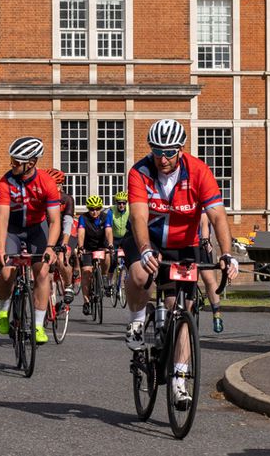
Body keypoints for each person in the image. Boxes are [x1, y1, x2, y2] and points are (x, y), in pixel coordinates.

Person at [122, 118, 239, 410]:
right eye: (157, 151)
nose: (162, 158)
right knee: (139, 277)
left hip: (183, 245)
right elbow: (137, 215)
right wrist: (146, 249)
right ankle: (137, 322)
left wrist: (227, 254)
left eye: (169, 152)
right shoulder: (140, 171)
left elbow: (217, 216)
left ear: (180, 149)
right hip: (146, 239)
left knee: (183, 307)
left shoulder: (198, 171)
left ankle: (179, 381)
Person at [0, 137, 60, 346]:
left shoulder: (46, 182)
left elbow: (55, 219)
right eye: (12, 160)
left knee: (42, 273)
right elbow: (2, 217)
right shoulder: (6, 181)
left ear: (30, 163)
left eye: (16, 162)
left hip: (36, 228)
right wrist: (1, 249)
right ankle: (4, 311)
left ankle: (38, 325)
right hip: (12, 228)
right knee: (6, 272)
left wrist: (50, 247)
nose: (12, 165)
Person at [77, 195, 114, 313]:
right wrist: (81, 247)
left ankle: (103, 275)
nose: (94, 212)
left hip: (101, 246)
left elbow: (108, 231)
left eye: (97, 209)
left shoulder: (105, 217)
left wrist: (111, 244)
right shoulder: (83, 218)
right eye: (92, 209)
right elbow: (81, 233)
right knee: (86, 272)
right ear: (88, 209)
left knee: (107, 255)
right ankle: (86, 301)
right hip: (87, 247)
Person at [46, 168, 76, 304]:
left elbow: (68, 222)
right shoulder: (44, 198)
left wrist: (64, 243)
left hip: (66, 234)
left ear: (59, 186)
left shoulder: (66, 199)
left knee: (61, 259)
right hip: (48, 234)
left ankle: (69, 285)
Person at [198, 211, 224, 333]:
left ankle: (216, 314)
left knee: (209, 278)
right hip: (182, 244)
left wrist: (204, 240)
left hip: (199, 244)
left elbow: (204, 221)